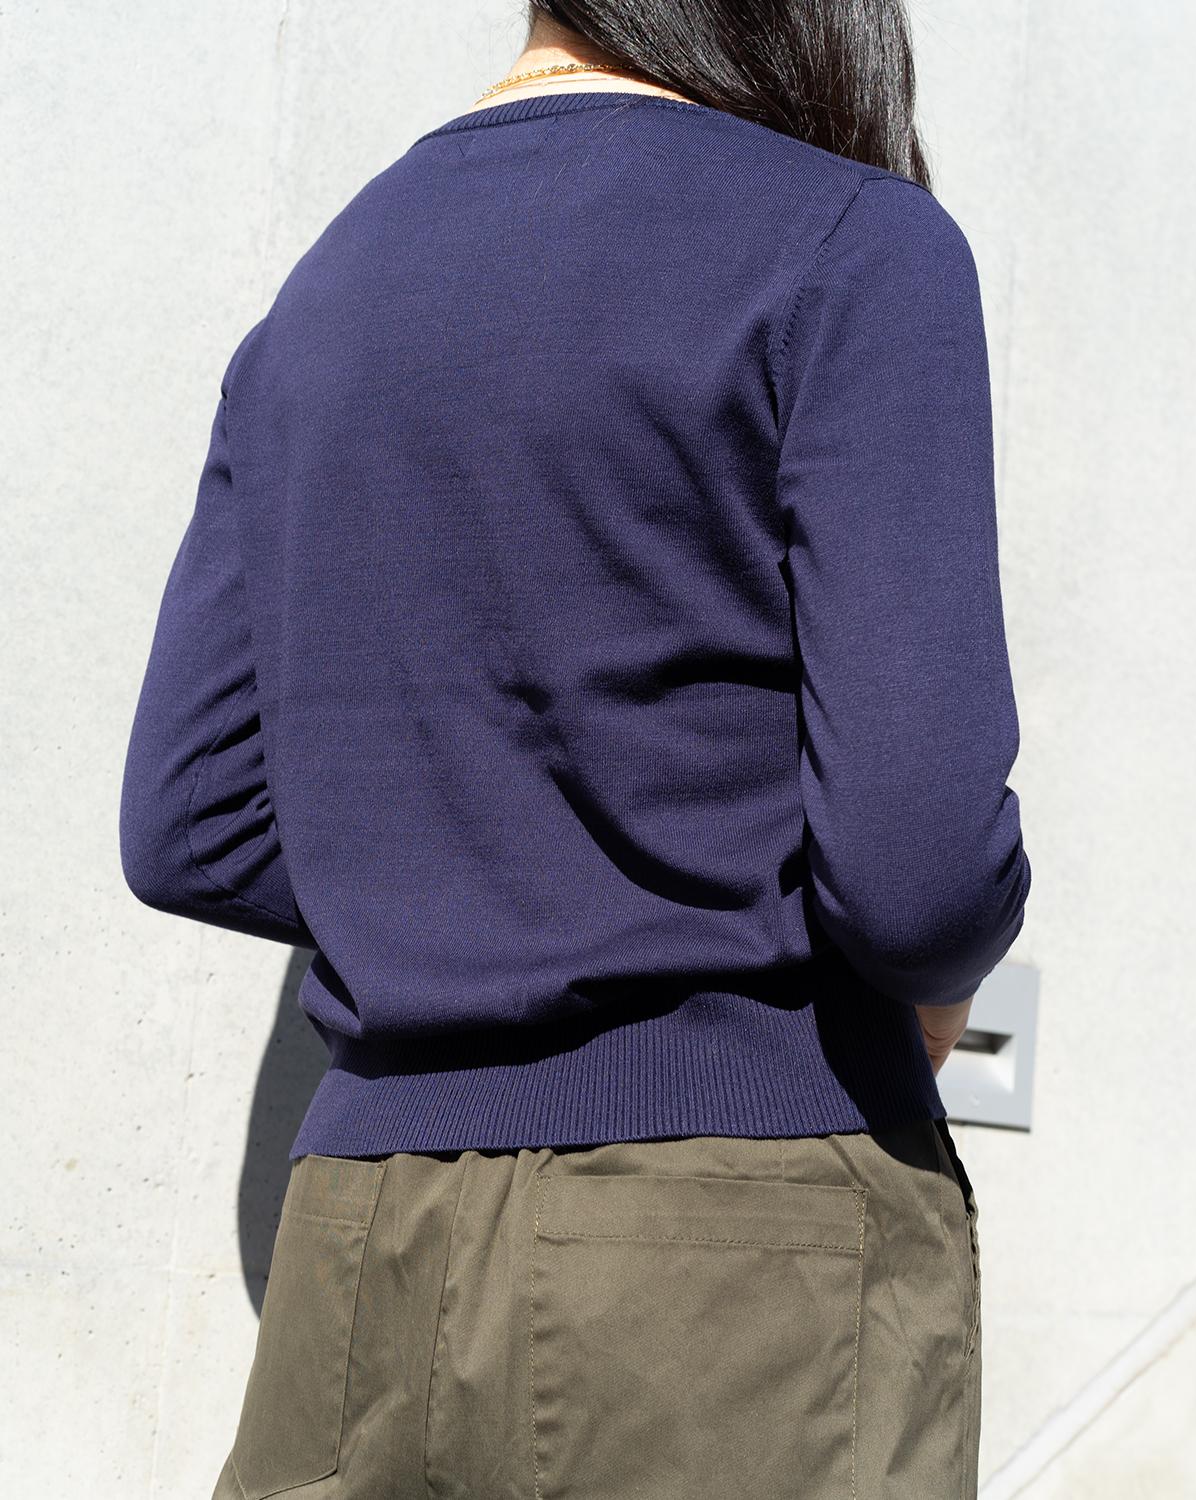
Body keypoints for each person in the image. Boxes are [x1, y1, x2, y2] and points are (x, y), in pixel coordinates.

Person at [119, 2, 1031, 1496]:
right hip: (733, 1256)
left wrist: (467, 878)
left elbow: (194, 827)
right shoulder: (850, 246)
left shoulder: (329, 291)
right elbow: (917, 866)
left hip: (360, 1245)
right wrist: (927, 973)